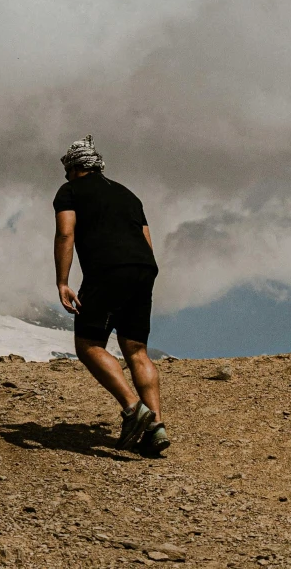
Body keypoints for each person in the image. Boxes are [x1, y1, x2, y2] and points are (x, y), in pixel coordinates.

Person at [53, 136, 168, 455]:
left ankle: (134, 410)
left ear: (76, 167)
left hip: (107, 270)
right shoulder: (129, 195)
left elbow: (65, 232)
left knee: (88, 344)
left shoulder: (70, 192)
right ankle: (156, 427)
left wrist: (63, 281)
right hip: (143, 269)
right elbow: (146, 239)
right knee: (137, 351)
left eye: (67, 169)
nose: (65, 175)